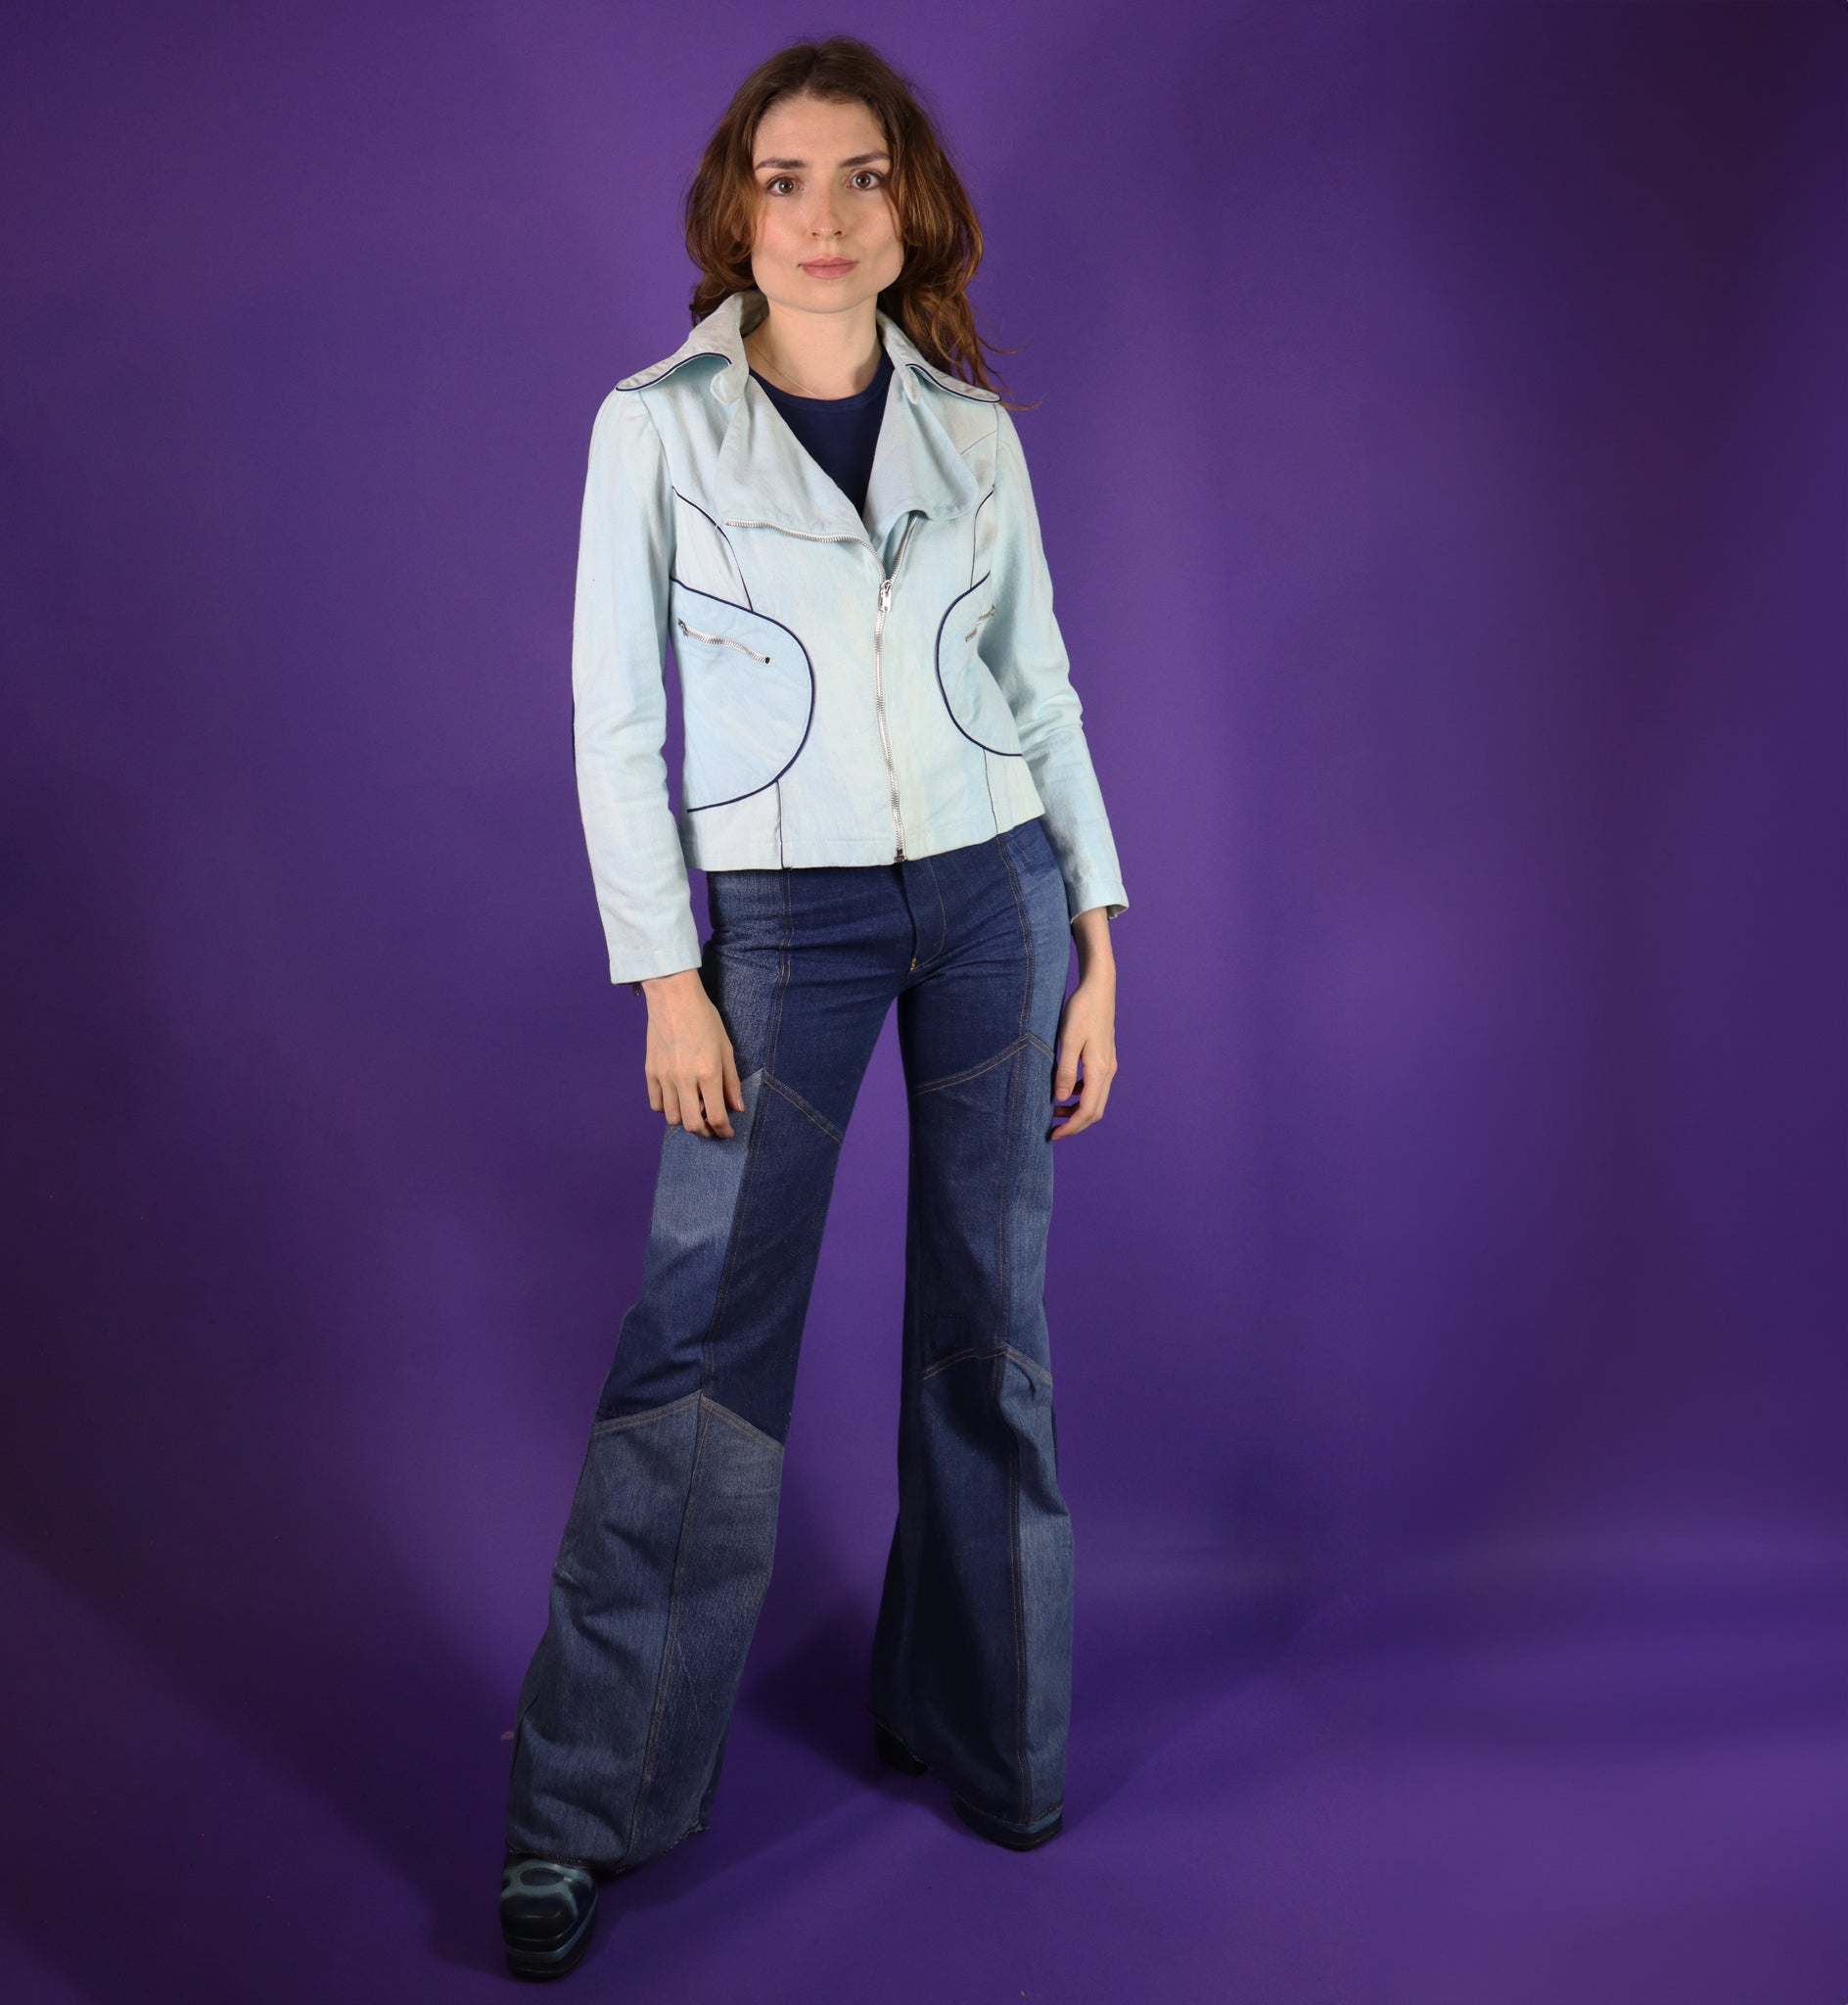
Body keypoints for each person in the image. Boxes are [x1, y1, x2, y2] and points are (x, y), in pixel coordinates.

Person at [498, 33, 1127, 1981]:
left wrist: (1102, 933)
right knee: (700, 1346)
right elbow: (613, 720)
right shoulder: (656, 428)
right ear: (736, 209)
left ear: (908, 206)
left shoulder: (973, 436)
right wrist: (663, 976)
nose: (827, 216)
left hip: (994, 900)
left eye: (862, 177)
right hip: (779, 924)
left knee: (988, 1328)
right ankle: (582, 1808)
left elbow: (1042, 687)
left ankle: (981, 1726)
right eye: (788, 179)